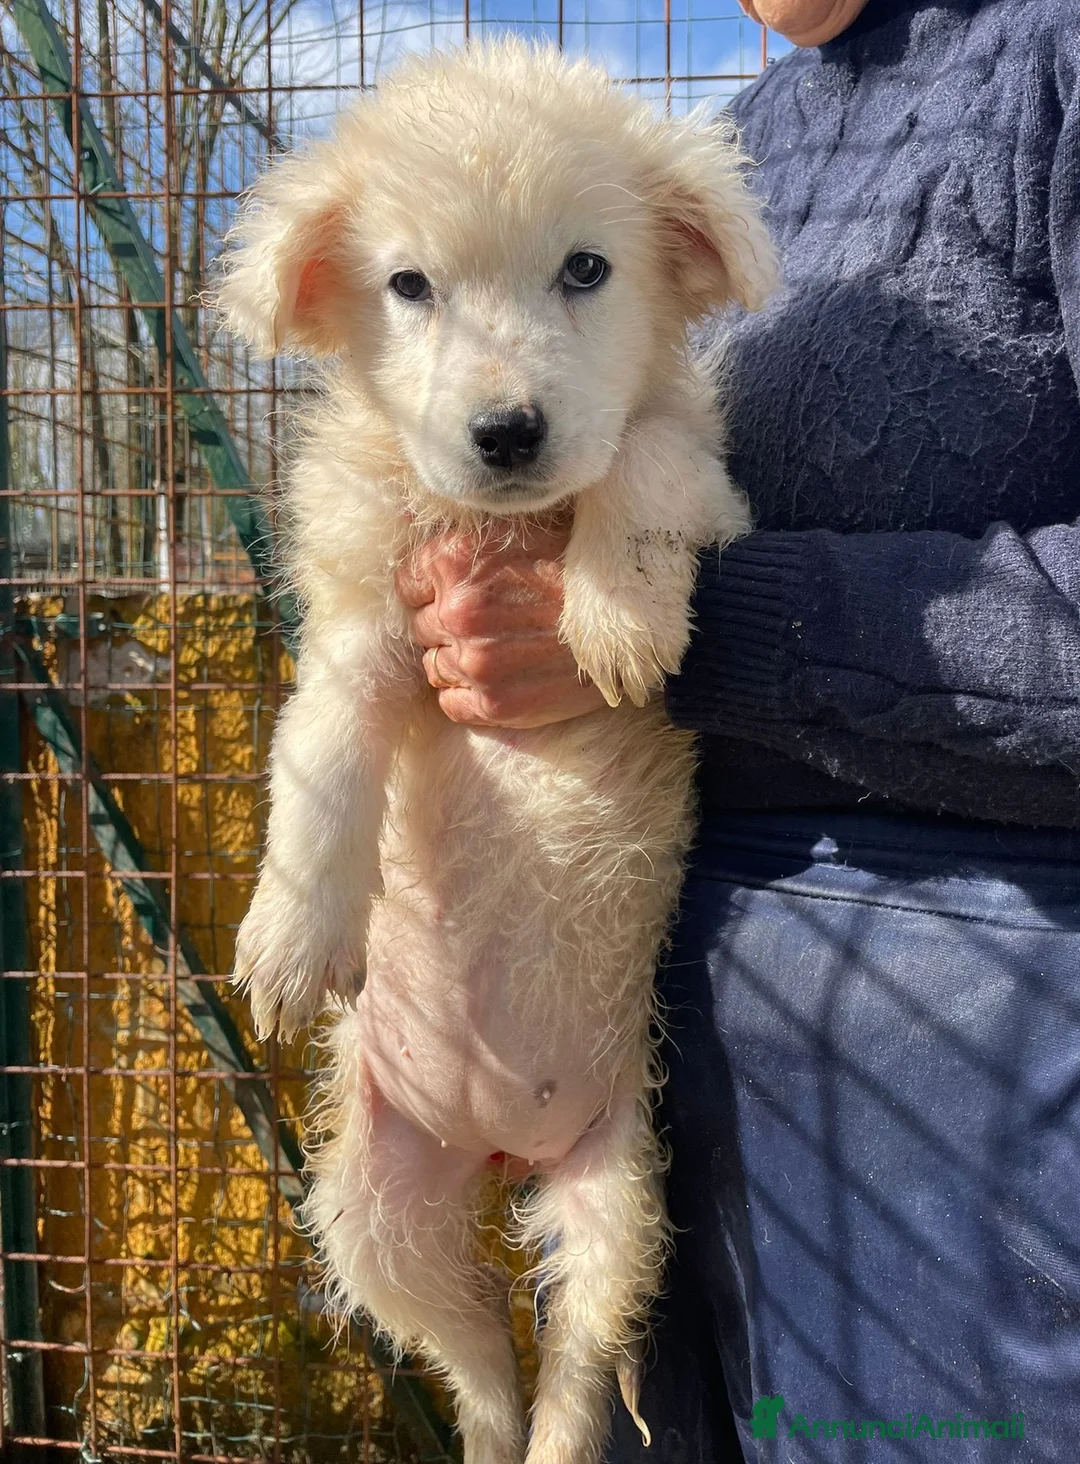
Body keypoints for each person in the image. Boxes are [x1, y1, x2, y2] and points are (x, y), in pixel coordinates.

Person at [395, 0, 1080, 1457]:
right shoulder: (736, 143)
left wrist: (711, 630)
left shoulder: (1050, 66)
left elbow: (667, 619)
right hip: (666, 1046)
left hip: (974, 1079)